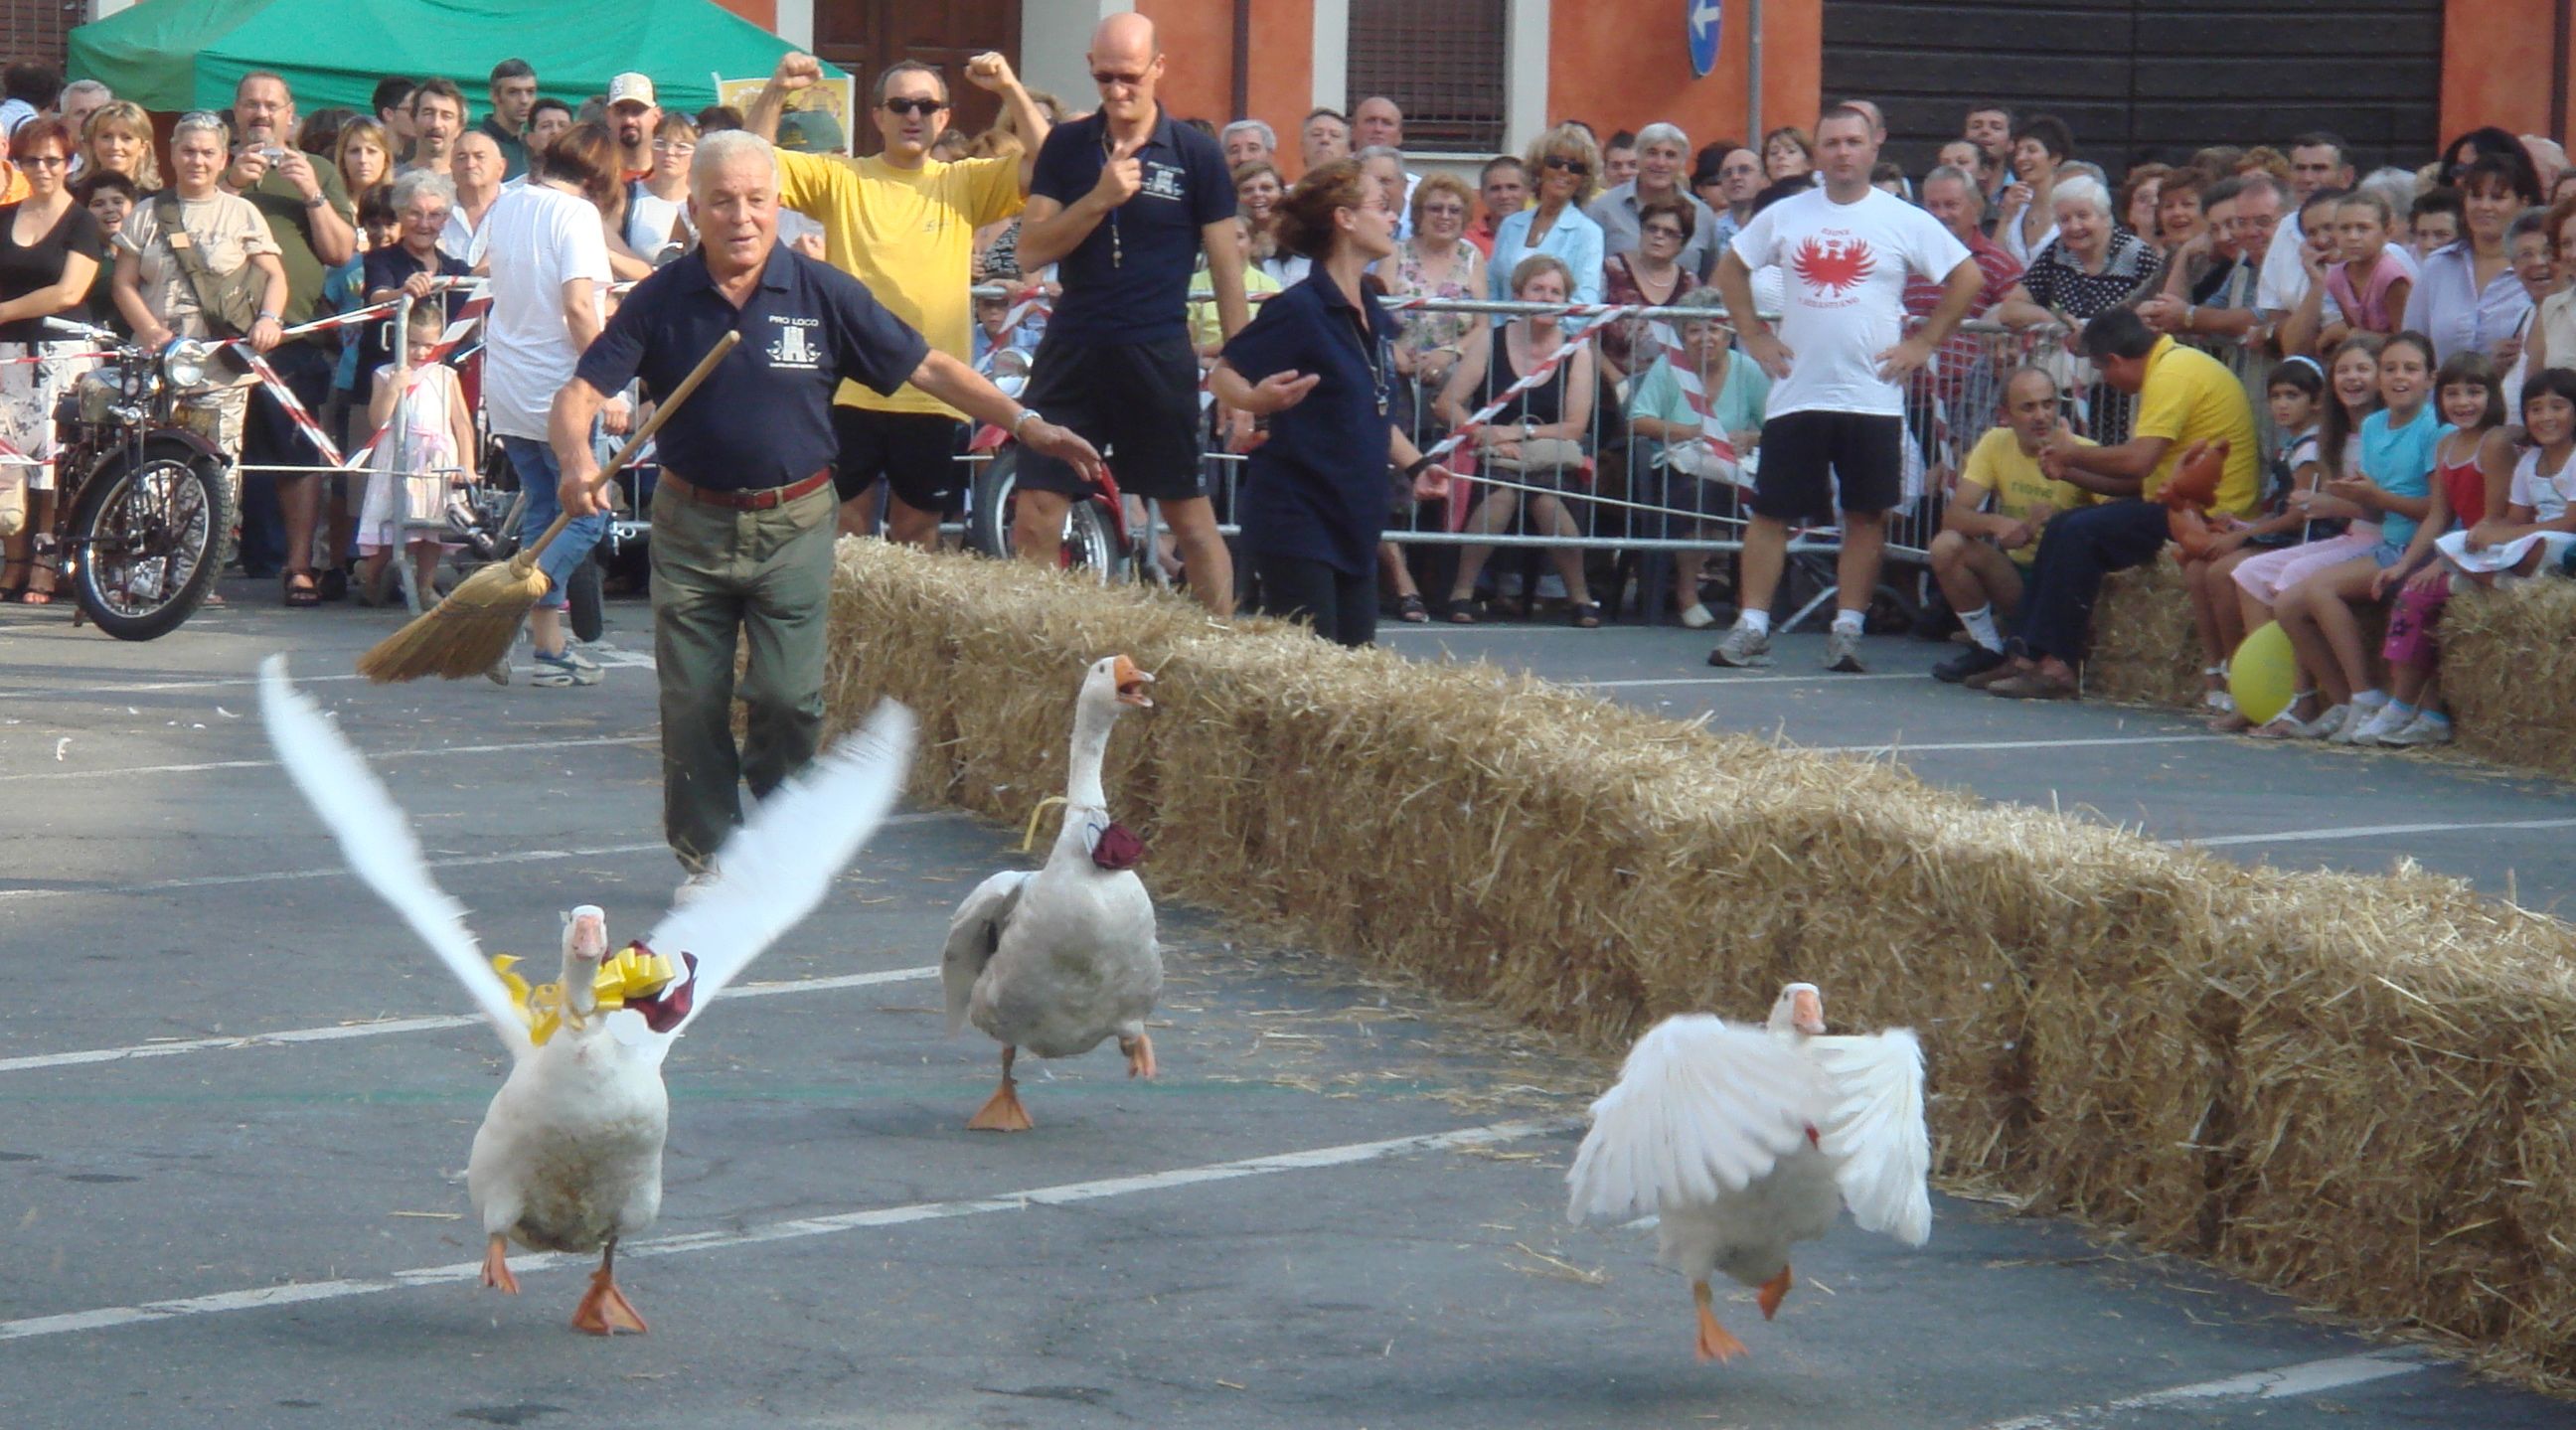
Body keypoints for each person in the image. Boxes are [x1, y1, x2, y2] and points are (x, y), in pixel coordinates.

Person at [551, 127, 1099, 881]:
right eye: (721, 203)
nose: (741, 218)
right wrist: (577, 460)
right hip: (691, 525)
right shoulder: (662, 298)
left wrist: (1027, 422)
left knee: (786, 697)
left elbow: (932, 366)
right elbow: (579, 393)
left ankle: (780, 826)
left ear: (780, 205)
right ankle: (710, 855)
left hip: (795, 522)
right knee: (692, 700)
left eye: (756, 201)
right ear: (696, 212)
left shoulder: (824, 293)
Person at [1706, 105, 1985, 673]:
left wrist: (1924, 343)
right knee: (1770, 513)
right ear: (1817, 151)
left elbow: (1967, 278)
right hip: (1797, 390)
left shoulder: (1902, 218)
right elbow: (1730, 272)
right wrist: (1754, 333)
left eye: (1853, 142)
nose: (1842, 153)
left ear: (1875, 145)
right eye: (1831, 143)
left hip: (1872, 393)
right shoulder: (1785, 214)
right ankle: (1752, 625)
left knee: (1865, 515)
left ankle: (1847, 629)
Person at [747, 48, 1047, 548]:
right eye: (902, 105)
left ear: (945, 117)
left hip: (936, 390)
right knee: (845, 531)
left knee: (918, 533)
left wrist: (1010, 89)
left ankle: (906, 631)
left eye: (928, 107)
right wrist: (777, 90)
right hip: (850, 389)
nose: (914, 115)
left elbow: (1051, 163)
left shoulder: (964, 180)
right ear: (878, 116)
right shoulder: (843, 178)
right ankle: (843, 630)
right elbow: (751, 164)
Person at [1009, 13, 1246, 611]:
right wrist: (1099, 198)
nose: (1117, 91)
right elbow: (1032, 250)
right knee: (1036, 510)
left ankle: (1221, 653)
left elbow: (1226, 273)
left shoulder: (1196, 154)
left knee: (1188, 519)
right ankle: (1037, 649)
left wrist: (1242, 375)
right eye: (1105, 77)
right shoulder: (1067, 145)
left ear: (1158, 69)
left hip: (1154, 350)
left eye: (1130, 77)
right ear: (1090, 68)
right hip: (1075, 347)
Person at [1209, 159, 1453, 647]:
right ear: (1344, 218)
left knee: (1354, 670)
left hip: (1355, 517)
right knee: (1311, 671)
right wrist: (1256, 399)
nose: (1392, 219)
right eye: (1381, 207)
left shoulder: (1370, 307)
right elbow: (1223, 373)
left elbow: (1374, 407)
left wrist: (1416, 464)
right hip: (1298, 517)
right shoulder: (1301, 308)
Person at [1976, 308, 2260, 700]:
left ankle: (2057, 664)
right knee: (2065, 525)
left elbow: (2137, 461)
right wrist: (2067, 470)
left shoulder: (2171, 375)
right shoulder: (2172, 366)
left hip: (2206, 513)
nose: (2105, 381)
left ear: (2114, 361)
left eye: (2102, 372)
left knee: (2078, 532)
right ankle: (2025, 653)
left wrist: (2072, 454)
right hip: (2179, 504)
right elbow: (2139, 481)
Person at [110, 111, 290, 579]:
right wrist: (149, 329)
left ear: (223, 158)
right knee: (147, 469)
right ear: (171, 155)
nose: (197, 160)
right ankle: (144, 571)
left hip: (218, 365)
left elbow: (274, 276)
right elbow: (124, 284)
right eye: (188, 150)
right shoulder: (148, 213)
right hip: (156, 363)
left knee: (213, 470)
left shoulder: (242, 213)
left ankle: (194, 575)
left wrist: (269, 319)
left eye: (208, 152)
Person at [481, 123, 621, 687]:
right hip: (558, 386)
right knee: (589, 515)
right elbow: (580, 307)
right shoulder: (577, 214)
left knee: (546, 510)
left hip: (509, 381)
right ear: (595, 176)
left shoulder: (509, 203)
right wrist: (605, 384)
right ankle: (508, 614)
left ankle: (549, 648)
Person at [2266, 330, 2443, 739]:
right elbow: (2375, 507)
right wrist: (2348, 499)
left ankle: (2367, 696)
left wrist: (2371, 497)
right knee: (2290, 603)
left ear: (2430, 378)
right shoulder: (2377, 426)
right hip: (2388, 539)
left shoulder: (2435, 430)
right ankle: (2345, 698)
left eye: (2411, 369)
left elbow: (2437, 511)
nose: (2400, 377)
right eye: (2391, 368)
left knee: (2319, 590)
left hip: (2420, 546)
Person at [223, 72, 358, 602]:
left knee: (296, 454)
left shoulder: (319, 169)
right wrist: (230, 183)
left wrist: (312, 194)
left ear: (290, 114)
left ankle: (297, 567)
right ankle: (194, 566)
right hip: (221, 337)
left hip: (293, 336)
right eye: (251, 105)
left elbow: (341, 254)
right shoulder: (215, 162)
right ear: (235, 112)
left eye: (271, 106)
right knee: (213, 453)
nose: (261, 114)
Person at [2350, 351, 2515, 745]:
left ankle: (2402, 707)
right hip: (2462, 547)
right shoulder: (2446, 446)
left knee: (2417, 597)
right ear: (2439, 398)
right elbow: (2438, 516)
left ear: (2492, 396)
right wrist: (2404, 563)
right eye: (2453, 394)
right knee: (2409, 586)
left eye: (2474, 393)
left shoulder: (2494, 444)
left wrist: (2446, 564)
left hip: (2492, 551)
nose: (2462, 403)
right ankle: (2431, 713)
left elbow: (2493, 520)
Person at [1434, 253, 1604, 626]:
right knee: (1503, 490)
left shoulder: (1577, 351)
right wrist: (1484, 435)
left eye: (1555, 292)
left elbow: (1575, 425)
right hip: (1492, 453)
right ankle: (1463, 591)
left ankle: (1578, 594)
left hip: (1546, 449)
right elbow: (1447, 403)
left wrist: (1518, 433)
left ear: (1567, 301)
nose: (1546, 299)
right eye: (1537, 289)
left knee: (1545, 494)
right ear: (1517, 295)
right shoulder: (1491, 342)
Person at [1926, 368, 2099, 684]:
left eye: (2048, 405)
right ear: (2006, 415)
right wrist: (1998, 524)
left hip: (2064, 588)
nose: (2041, 416)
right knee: (1946, 545)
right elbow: (1954, 515)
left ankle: (2034, 656)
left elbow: (2117, 515)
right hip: (2018, 577)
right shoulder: (1995, 442)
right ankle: (1989, 648)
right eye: (2028, 407)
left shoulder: (2083, 450)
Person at [0, 119, 106, 606]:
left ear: (69, 164)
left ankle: (45, 561)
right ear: (16, 164)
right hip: (6, 356)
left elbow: (68, 292)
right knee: (9, 463)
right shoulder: (3, 216)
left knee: (52, 464)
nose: (42, 169)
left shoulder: (82, 221)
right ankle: (13, 560)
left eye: (52, 160)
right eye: (31, 160)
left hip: (59, 354)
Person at [1627, 286, 1770, 628]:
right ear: (1682, 335)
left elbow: (1774, 426)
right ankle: (1687, 593)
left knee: (1752, 495)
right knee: (1697, 493)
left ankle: (1752, 599)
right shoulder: (1668, 367)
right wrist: (1692, 433)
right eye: (1694, 330)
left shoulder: (1747, 369)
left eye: (1714, 329)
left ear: (1728, 333)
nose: (1705, 338)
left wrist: (1749, 438)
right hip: (1677, 468)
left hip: (1733, 470)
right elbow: (1638, 419)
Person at [354, 300, 475, 605]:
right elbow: (377, 420)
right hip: (398, 458)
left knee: (433, 527)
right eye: (413, 344)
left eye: (428, 345)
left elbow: (461, 423)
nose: (421, 353)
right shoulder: (384, 374)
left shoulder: (446, 376)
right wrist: (395, 388)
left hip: (436, 461)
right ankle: (371, 572)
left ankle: (425, 585)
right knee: (391, 522)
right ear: (398, 338)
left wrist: (467, 465)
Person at [2404, 155, 2538, 365]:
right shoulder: (2438, 265)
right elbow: (2411, 346)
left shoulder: (2534, 269)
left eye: (2497, 197)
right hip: (2441, 395)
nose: (2484, 206)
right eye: (2475, 197)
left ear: (2522, 203)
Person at [1489, 123, 1605, 312]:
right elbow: (1492, 288)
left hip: (1557, 338)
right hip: (1504, 336)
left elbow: (1586, 302)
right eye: (1555, 162)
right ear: (1539, 168)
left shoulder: (1589, 233)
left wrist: (1545, 330)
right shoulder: (1510, 225)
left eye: (1575, 167)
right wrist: (1503, 331)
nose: (1564, 171)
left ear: (1583, 178)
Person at [1588, 122, 1718, 277]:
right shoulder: (1603, 209)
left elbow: (1709, 278)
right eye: (1652, 153)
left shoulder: (1702, 216)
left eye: (1670, 155)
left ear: (1682, 162)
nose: (1660, 163)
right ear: (1638, 156)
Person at [2256, 132, 2358, 321]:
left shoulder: (2367, 228)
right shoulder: (2285, 227)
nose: (2307, 178)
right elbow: (2273, 312)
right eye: (2300, 169)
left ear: (2346, 177)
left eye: (2319, 169)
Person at [1596, 195, 1698, 383]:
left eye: (1669, 232)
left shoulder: (1690, 284)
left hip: (1669, 391)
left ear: (1682, 243)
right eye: (1652, 228)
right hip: (1607, 388)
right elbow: (1587, 335)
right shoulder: (1610, 270)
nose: (1658, 236)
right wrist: (1618, 382)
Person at [1995, 114, 2072, 266]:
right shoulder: (2016, 205)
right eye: (2018, 152)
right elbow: (1994, 262)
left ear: (2055, 158)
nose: (2021, 158)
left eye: (2031, 150)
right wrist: (2005, 217)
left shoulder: (2071, 205)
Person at [626, 114, 697, 262]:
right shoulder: (628, 195)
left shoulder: (703, 202)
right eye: (661, 144)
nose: (669, 152)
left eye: (682, 147)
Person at [443, 130, 504, 265]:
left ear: (501, 167)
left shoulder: (520, 210)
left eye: (479, 157)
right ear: (451, 167)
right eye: (461, 157)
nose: (470, 164)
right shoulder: (435, 210)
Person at [80, 100, 158, 199]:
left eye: (127, 138)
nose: (115, 146)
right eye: (106, 136)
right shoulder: (72, 197)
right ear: (93, 143)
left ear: (143, 148)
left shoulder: (158, 203)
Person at [482, 59, 538, 181]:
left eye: (530, 92)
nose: (524, 100)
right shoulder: (476, 144)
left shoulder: (535, 146)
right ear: (494, 96)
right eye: (513, 92)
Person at [402, 78, 467, 178]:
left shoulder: (469, 186)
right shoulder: (389, 184)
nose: (436, 124)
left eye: (446, 116)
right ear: (413, 119)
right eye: (428, 113)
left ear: (460, 127)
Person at [335, 116, 394, 220]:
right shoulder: (331, 206)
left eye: (371, 151)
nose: (362, 160)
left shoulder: (399, 205)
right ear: (342, 159)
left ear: (386, 159)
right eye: (354, 151)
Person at [1468, 155, 1526, 257]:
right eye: (1495, 189)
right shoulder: (1467, 240)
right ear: (1482, 194)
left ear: (1528, 191)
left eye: (1512, 187)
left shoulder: (1543, 236)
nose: (1504, 195)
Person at [606, 74, 661, 181]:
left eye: (637, 110)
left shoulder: (675, 177)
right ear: (608, 116)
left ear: (656, 115)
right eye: (620, 111)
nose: (629, 120)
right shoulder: (593, 175)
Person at [372, 77, 418, 164]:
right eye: (413, 110)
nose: (419, 116)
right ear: (388, 114)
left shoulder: (408, 161)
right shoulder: (373, 163)